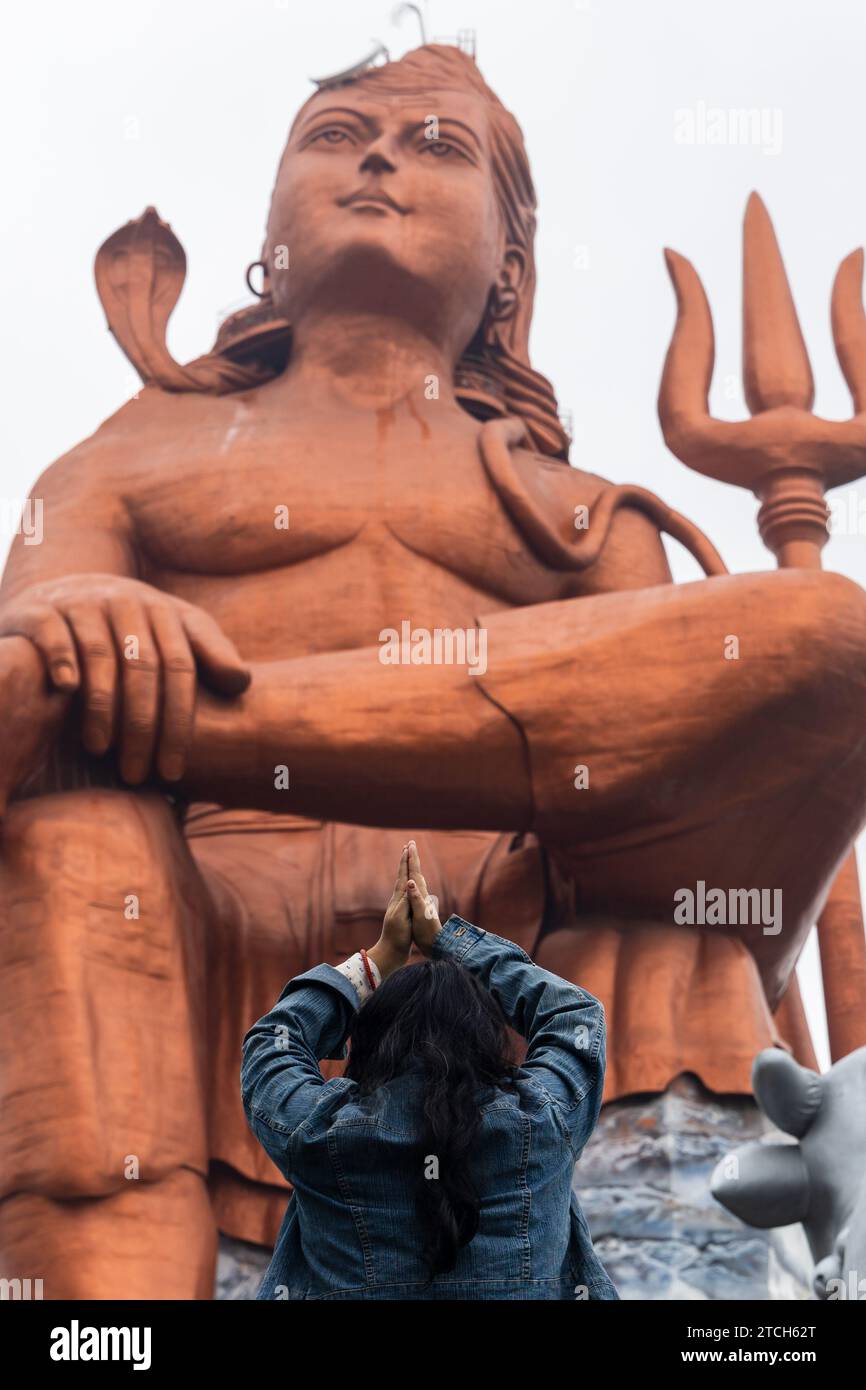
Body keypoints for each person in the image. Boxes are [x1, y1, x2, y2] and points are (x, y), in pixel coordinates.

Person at [241, 842, 619, 1301]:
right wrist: (448, 942)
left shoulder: (319, 1134)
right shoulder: (542, 1123)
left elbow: (274, 1040)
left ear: (373, 1040)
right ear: (486, 1039)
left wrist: (377, 960)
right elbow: (576, 1016)